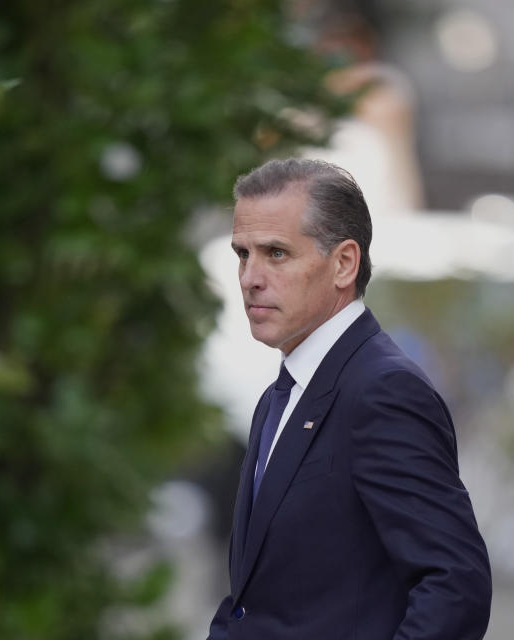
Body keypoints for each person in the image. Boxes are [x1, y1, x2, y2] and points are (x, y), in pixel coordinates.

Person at [207, 158, 491, 639]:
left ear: (344, 264)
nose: (250, 277)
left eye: (276, 253)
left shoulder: (382, 391)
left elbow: (455, 586)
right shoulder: (283, 393)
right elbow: (257, 601)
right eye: (242, 254)